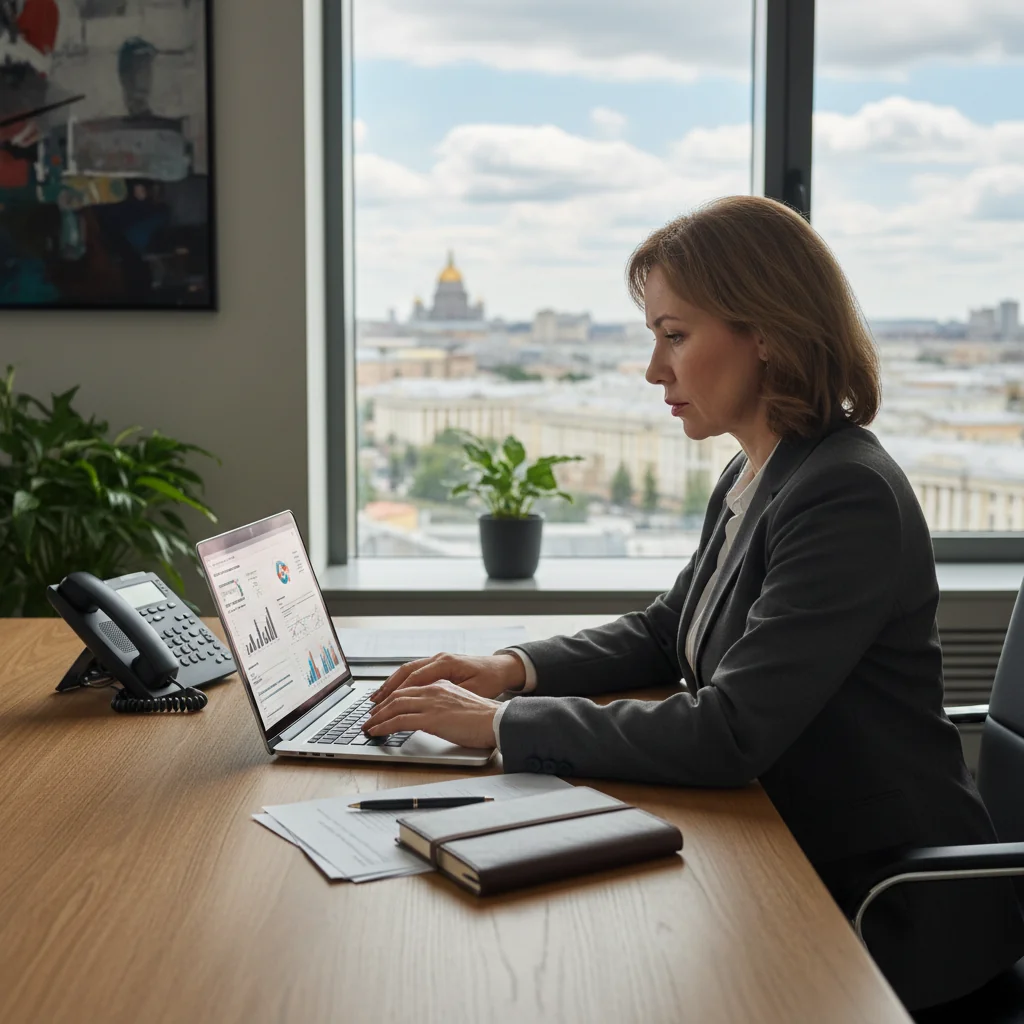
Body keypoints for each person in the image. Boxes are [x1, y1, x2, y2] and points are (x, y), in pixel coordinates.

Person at [363, 195, 1024, 1012]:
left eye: (675, 335)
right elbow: (668, 630)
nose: (654, 370)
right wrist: (508, 670)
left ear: (769, 334)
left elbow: (729, 733)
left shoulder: (843, 492)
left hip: (880, 908)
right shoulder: (762, 469)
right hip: (785, 854)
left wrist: (494, 726)